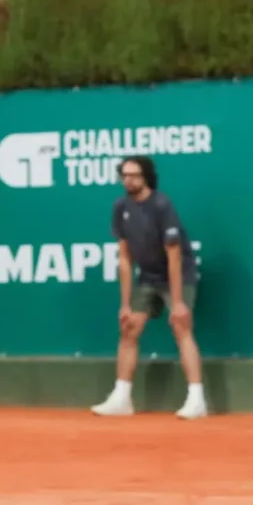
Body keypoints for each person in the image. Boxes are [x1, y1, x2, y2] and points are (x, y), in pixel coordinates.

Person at [91, 156, 206, 419]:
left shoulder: (162, 205)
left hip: (178, 275)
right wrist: (124, 305)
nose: (128, 180)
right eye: (124, 175)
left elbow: (175, 256)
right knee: (129, 327)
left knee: (180, 326)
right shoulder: (121, 207)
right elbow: (124, 258)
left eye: (134, 175)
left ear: (146, 177)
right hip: (148, 277)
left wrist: (177, 302)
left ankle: (197, 399)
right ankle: (121, 398)